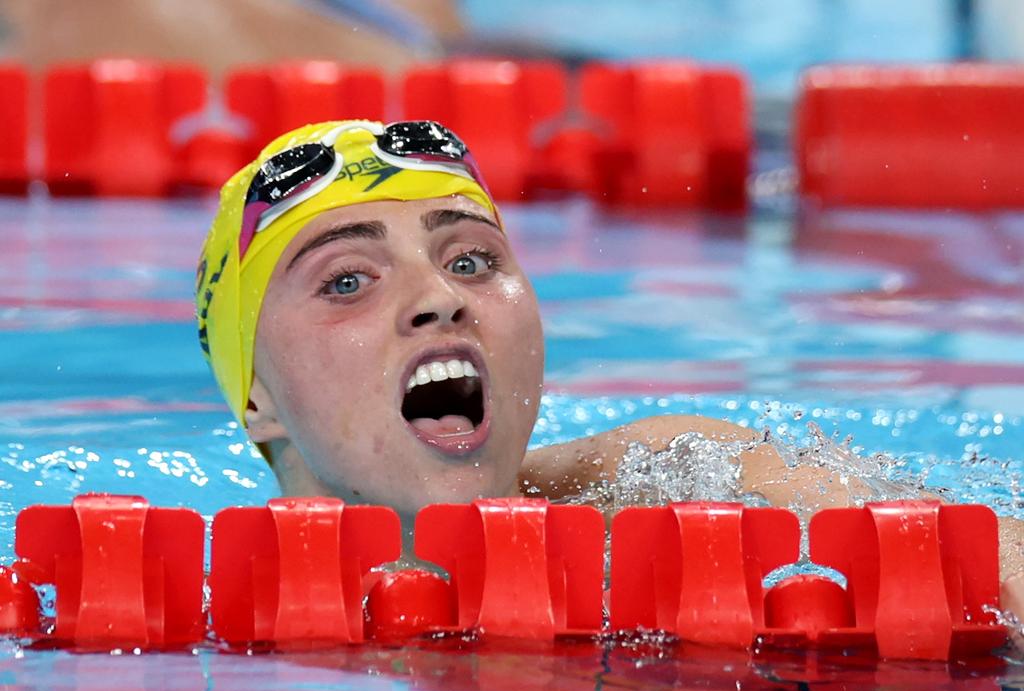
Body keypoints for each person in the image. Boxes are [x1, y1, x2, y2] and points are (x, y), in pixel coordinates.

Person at [197, 119, 1024, 628]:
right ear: (256, 396)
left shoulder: (663, 479)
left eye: (474, 259)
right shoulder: (176, 605)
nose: (439, 297)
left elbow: (996, 566)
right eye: (347, 280)